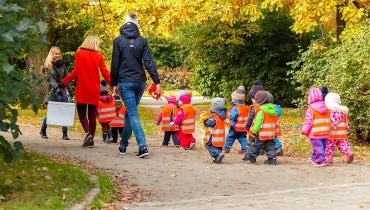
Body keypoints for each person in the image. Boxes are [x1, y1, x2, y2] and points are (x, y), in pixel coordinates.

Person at [111, 12, 162, 158]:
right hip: (140, 81)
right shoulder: (142, 41)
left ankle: (142, 146)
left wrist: (114, 83)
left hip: (125, 81)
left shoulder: (118, 41)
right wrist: (156, 81)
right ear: (137, 24)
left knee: (132, 114)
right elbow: (149, 62)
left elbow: (115, 63)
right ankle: (123, 145)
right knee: (129, 113)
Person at [60, 34, 111, 148]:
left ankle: (88, 134)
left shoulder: (79, 53)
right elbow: (105, 72)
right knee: (92, 115)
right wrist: (114, 85)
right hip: (94, 88)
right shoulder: (98, 55)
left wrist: (64, 82)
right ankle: (91, 139)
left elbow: (76, 71)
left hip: (82, 88)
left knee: (82, 114)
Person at [40, 46, 73, 140]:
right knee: (51, 112)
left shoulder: (63, 65)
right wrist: (57, 87)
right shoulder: (47, 66)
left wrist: (70, 90)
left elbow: (67, 78)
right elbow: (50, 79)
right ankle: (43, 130)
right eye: (56, 53)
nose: (58, 55)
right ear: (52, 54)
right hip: (53, 91)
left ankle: (65, 133)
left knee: (64, 111)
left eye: (59, 53)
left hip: (62, 91)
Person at [243, 90, 280, 165]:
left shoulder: (261, 111)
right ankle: (272, 159)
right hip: (271, 134)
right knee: (270, 146)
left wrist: (255, 131)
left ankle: (251, 156)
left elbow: (258, 122)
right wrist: (276, 132)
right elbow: (276, 123)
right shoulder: (274, 111)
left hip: (262, 133)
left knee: (256, 145)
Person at [301, 87, 330, 167]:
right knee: (322, 148)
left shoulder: (311, 109)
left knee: (318, 147)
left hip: (315, 133)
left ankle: (320, 161)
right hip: (325, 131)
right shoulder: (326, 107)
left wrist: (304, 131)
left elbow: (308, 121)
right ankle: (314, 157)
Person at [324, 92, 354, 164]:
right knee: (343, 145)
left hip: (330, 135)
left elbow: (324, 123)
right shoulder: (342, 112)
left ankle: (329, 158)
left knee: (329, 147)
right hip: (341, 134)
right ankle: (348, 153)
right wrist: (346, 129)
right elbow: (346, 123)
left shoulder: (327, 112)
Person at [223, 86, 249, 154]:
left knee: (230, 137)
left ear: (235, 99)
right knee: (243, 138)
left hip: (235, 127)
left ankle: (226, 148)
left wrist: (232, 123)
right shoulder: (244, 107)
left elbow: (233, 116)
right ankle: (245, 148)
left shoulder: (235, 107)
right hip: (243, 127)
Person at [202, 97, 227, 163]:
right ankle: (218, 158)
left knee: (208, 145)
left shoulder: (215, 116)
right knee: (218, 147)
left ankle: (218, 154)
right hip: (220, 136)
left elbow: (211, 123)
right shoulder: (221, 115)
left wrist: (205, 121)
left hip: (214, 135)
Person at [246, 81, 264, 151]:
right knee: (260, 139)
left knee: (252, 139)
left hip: (254, 128)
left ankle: (251, 151)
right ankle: (261, 149)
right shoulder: (264, 107)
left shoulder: (254, 107)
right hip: (263, 129)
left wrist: (247, 126)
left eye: (252, 98)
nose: (252, 100)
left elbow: (250, 118)